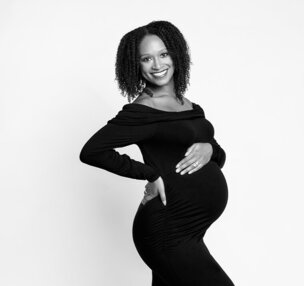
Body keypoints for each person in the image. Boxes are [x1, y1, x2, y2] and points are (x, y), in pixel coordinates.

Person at [79, 20, 234, 286]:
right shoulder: (143, 110)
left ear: (175, 55)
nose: (157, 65)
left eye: (163, 54)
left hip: (191, 230)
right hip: (167, 231)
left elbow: (216, 156)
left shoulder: (189, 106)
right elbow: (92, 151)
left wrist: (210, 149)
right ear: (135, 66)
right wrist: (150, 174)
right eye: (146, 59)